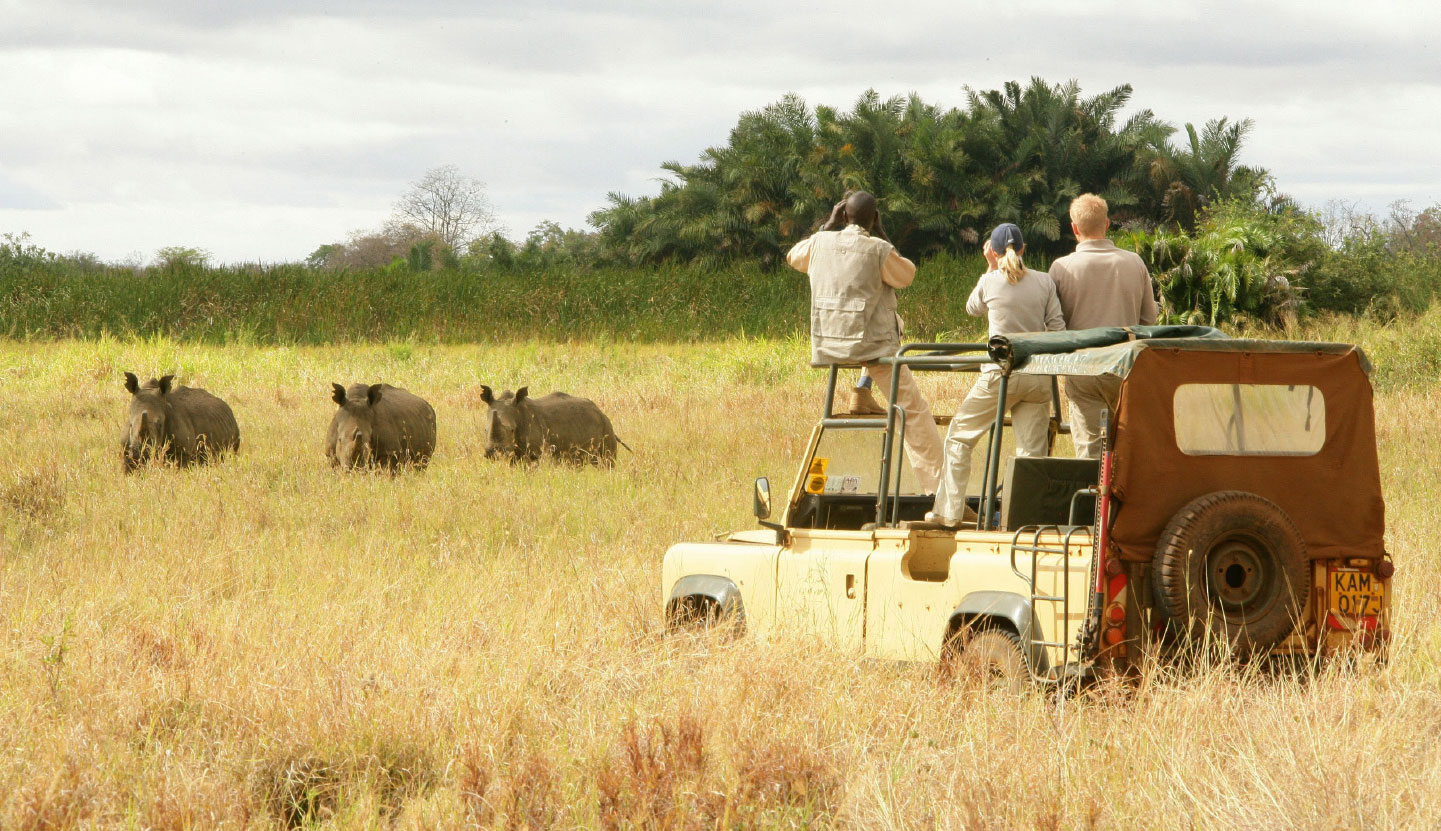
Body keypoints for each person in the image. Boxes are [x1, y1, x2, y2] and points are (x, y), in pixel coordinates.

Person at [785, 191, 943, 493]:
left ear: (842, 215)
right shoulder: (878, 248)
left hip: (829, 344)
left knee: (896, 321)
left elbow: (793, 257)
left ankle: (862, 390)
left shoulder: (819, 243)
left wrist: (826, 227)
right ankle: (938, 491)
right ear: (874, 219)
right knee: (913, 412)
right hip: (871, 349)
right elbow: (906, 275)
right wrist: (882, 237)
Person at [919, 223, 1064, 529]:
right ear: (1024, 249)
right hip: (1038, 375)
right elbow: (1058, 328)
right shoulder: (1044, 281)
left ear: (994, 253)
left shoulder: (990, 281)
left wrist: (988, 267)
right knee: (1031, 453)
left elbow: (972, 308)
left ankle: (948, 512)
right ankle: (1027, 521)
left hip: (1001, 373)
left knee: (960, 436)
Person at [1048, 194, 1159, 458]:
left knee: (1091, 453)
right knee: (1130, 452)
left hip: (1083, 369)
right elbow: (1149, 321)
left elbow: (1053, 325)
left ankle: (1094, 499)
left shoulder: (1061, 268)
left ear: (1074, 228)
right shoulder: (1135, 262)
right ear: (1107, 224)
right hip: (1127, 368)